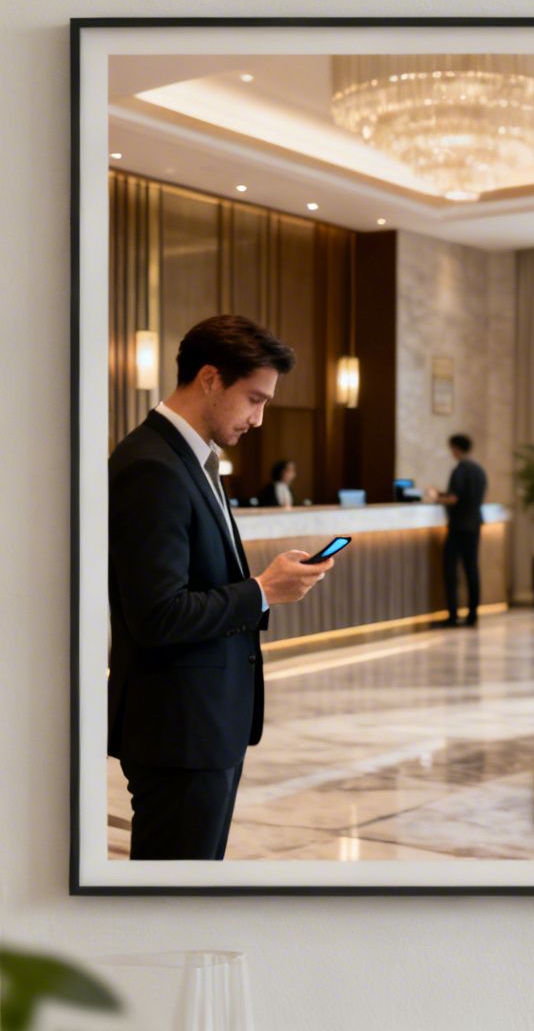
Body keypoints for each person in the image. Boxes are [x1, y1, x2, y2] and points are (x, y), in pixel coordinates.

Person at [107, 315, 334, 860]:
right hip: (178, 730)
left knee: (195, 888)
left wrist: (261, 586)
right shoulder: (151, 466)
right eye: (254, 399)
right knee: (172, 903)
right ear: (210, 378)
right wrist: (261, 590)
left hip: (204, 723)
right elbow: (157, 614)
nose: (258, 419)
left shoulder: (193, 458)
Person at [427, 434, 487, 627]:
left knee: (451, 570)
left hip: (459, 526)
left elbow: (454, 499)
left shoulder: (460, 469)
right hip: (475, 524)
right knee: (472, 569)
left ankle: (453, 615)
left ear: (455, 448)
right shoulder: (479, 470)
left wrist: (437, 498)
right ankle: (472, 614)